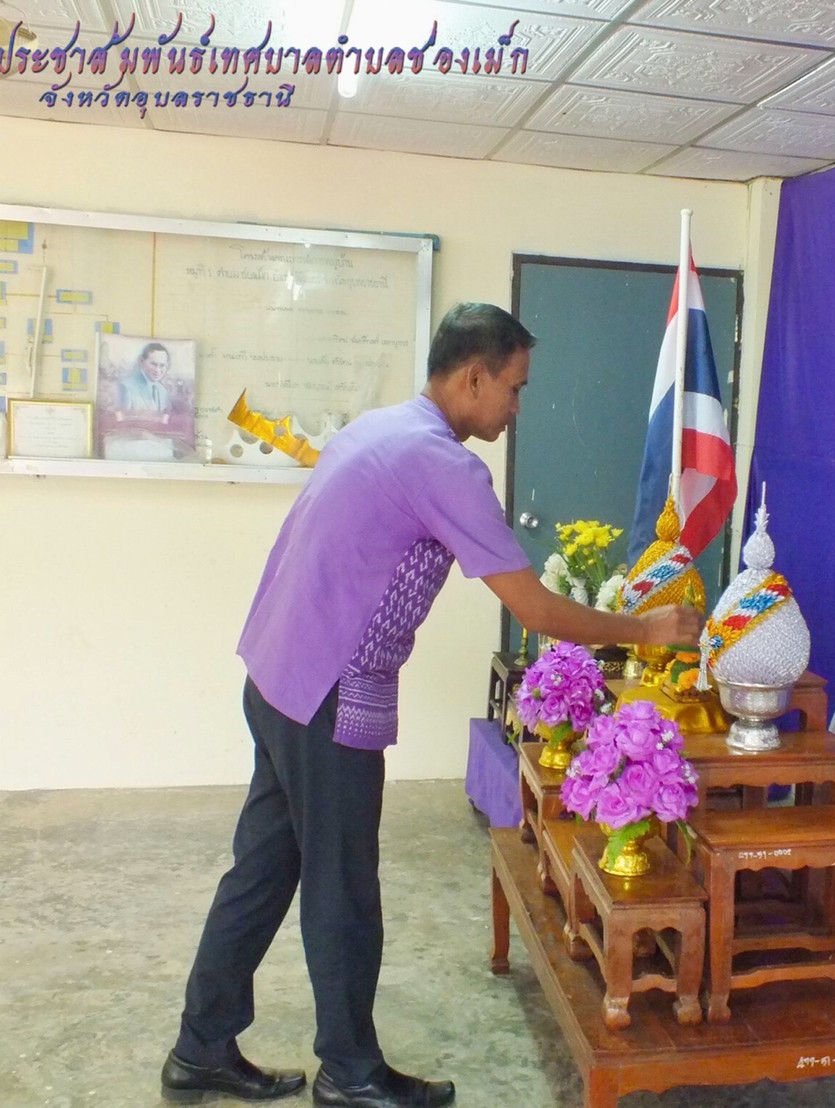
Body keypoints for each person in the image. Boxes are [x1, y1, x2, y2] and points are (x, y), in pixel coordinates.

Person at [160, 303, 703, 1107]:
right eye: (515, 388)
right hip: (327, 694)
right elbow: (535, 609)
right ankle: (349, 1072)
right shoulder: (443, 464)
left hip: (276, 677)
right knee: (343, 888)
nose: (517, 408)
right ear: (474, 377)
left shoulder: (379, 428)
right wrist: (648, 627)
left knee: (266, 867)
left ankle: (200, 1047)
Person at [117, 341, 174, 412]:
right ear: (141, 361)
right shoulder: (126, 387)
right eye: (153, 364)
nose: (157, 370)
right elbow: (121, 417)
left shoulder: (163, 391)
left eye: (162, 365)